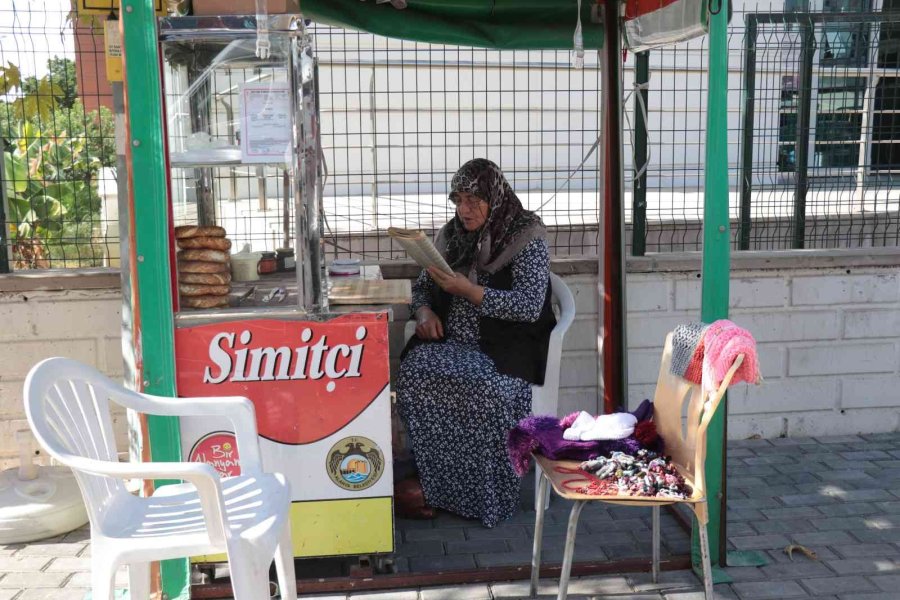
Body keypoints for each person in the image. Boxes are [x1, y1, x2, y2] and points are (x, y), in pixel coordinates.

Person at [396, 158, 556, 528]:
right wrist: (424, 313)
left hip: (504, 349)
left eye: (473, 200)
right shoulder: (452, 234)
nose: (463, 209)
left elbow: (529, 306)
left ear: (494, 197)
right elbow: (422, 285)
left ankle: (485, 497)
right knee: (415, 372)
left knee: (486, 388)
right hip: (453, 343)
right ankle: (438, 485)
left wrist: (471, 292)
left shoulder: (525, 235)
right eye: (458, 199)